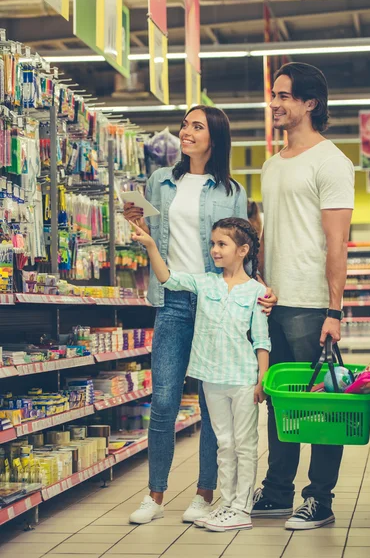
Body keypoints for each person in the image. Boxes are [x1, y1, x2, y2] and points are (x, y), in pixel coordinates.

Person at [125, 105, 276, 525]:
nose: (185, 132)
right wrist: (136, 222)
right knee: (164, 399)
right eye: (185, 125)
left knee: (214, 407)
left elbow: (239, 244)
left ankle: (204, 492)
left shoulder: (230, 189)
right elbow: (152, 236)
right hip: (174, 299)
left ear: (215, 137)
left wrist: (258, 288)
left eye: (196, 127)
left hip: (216, 303)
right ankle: (154, 496)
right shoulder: (160, 182)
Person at [253, 62, 355, 530]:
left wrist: (334, 310)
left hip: (312, 305)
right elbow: (271, 236)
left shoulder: (331, 161)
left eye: (284, 96)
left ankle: (320, 498)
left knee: (320, 403)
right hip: (274, 303)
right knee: (279, 403)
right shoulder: (272, 165)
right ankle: (277, 491)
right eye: (274, 95)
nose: (275, 103)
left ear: (309, 103)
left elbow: (337, 244)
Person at [130, 217, 271, 532]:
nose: (214, 250)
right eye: (213, 244)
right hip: (211, 378)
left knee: (245, 443)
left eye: (222, 244)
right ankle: (228, 503)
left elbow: (262, 340)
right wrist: (152, 244)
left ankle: (242, 508)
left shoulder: (256, 292)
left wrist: (263, 380)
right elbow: (167, 278)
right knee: (224, 442)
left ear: (243, 249)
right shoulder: (205, 283)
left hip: (244, 380)